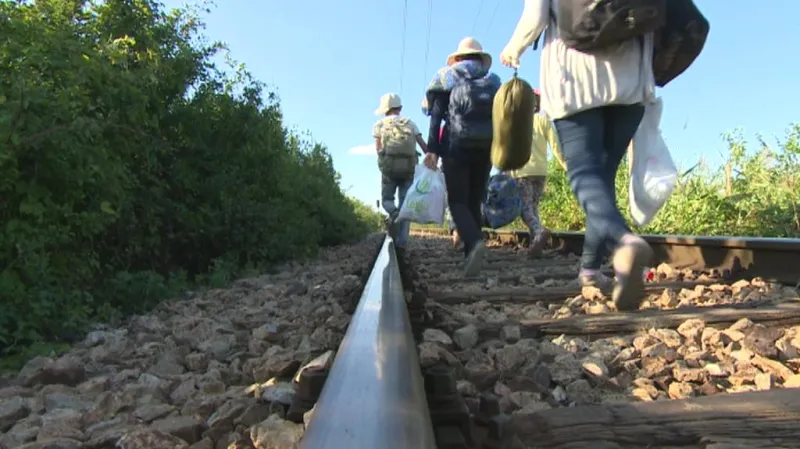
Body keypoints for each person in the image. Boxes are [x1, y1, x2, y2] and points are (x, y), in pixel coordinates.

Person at [499, 0, 655, 311]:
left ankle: (624, 242)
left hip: (575, 81)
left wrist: (513, 50)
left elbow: (536, 16)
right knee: (603, 180)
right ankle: (590, 271)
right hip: (632, 80)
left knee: (584, 173)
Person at [422, 37, 502, 278]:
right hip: (486, 147)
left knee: (457, 201)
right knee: (474, 200)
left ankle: (475, 241)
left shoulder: (446, 77)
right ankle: (470, 255)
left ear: (457, 57)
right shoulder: (493, 80)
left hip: (455, 145)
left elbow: (436, 116)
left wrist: (432, 150)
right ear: (480, 58)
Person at [508, 88, 566, 258]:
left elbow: (508, 149)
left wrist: (506, 170)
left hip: (522, 171)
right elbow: (556, 146)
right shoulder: (544, 120)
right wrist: (566, 165)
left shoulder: (515, 121)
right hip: (540, 172)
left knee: (525, 210)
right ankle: (536, 244)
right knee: (533, 207)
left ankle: (539, 232)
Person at [373, 93, 428, 254]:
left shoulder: (379, 125)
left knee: (387, 200)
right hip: (409, 169)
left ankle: (394, 214)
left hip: (389, 169)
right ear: (400, 108)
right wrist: (432, 158)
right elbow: (423, 146)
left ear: (385, 110)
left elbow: (378, 149)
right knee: (406, 205)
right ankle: (402, 243)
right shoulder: (410, 124)